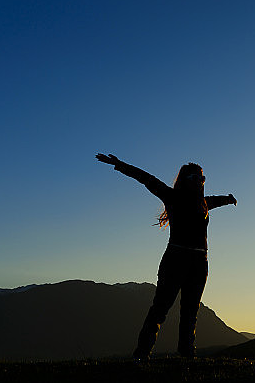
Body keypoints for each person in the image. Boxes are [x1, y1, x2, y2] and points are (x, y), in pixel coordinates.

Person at [96, 153, 236, 359]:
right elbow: (146, 178)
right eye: (195, 178)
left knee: (191, 311)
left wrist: (229, 199)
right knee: (160, 308)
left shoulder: (204, 203)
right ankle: (142, 353)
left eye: (202, 178)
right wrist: (119, 165)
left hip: (200, 262)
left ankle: (187, 353)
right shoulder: (172, 197)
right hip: (176, 259)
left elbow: (217, 200)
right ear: (184, 180)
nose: (200, 182)